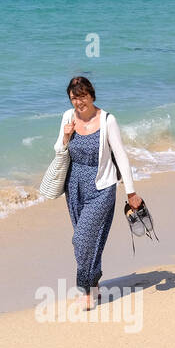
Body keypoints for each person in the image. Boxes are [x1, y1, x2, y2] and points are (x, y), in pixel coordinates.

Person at [53, 76, 141, 310]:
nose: (78, 102)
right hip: (74, 187)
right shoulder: (67, 117)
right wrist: (65, 135)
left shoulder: (107, 120)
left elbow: (120, 155)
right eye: (74, 98)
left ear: (91, 95)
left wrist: (130, 192)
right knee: (91, 240)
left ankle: (85, 288)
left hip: (102, 187)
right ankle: (93, 284)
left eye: (82, 97)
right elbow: (59, 150)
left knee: (81, 240)